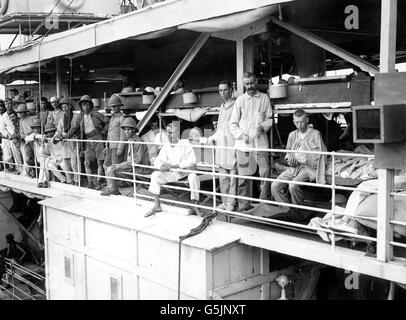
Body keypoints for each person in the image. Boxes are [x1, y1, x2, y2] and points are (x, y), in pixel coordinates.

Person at [229, 72, 273, 211]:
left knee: (265, 173)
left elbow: (270, 119)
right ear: (243, 84)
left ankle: (263, 203)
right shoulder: (240, 100)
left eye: (252, 83)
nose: (250, 86)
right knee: (243, 178)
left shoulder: (264, 98)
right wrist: (242, 136)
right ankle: (244, 206)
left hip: (260, 144)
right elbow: (233, 124)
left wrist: (262, 127)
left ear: (256, 81)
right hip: (244, 145)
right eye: (247, 84)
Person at [271, 109, 326, 207]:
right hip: (294, 167)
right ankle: (287, 209)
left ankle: (299, 211)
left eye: (301, 122)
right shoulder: (292, 135)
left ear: (307, 120)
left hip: (308, 168)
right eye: (296, 122)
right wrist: (289, 160)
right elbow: (288, 152)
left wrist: (307, 160)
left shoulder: (315, 134)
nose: (299, 125)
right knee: (275, 185)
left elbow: (322, 156)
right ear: (293, 121)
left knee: (293, 185)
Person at [145, 123, 201, 217]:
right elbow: (157, 161)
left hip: (182, 174)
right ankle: (157, 205)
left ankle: (195, 206)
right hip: (169, 174)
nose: (170, 135)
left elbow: (193, 160)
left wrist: (178, 165)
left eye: (172, 132)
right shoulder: (166, 146)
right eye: (168, 133)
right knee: (155, 175)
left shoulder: (185, 144)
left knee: (193, 177)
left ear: (177, 133)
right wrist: (161, 166)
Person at [205, 80, 237, 211]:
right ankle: (224, 202)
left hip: (232, 144)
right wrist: (210, 138)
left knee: (233, 176)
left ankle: (232, 203)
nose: (222, 93)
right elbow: (219, 129)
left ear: (230, 90)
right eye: (220, 90)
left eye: (225, 90)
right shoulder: (222, 107)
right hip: (222, 146)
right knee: (223, 177)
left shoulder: (236, 105)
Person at [101, 117, 150, 196]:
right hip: (133, 167)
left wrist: (121, 165)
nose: (126, 131)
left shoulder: (138, 141)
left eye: (129, 129)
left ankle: (113, 189)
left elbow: (137, 160)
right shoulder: (130, 140)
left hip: (141, 169)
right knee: (109, 167)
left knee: (111, 168)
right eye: (125, 129)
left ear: (134, 130)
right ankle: (112, 188)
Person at [79, 95, 109, 190]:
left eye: (87, 104)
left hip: (97, 138)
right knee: (86, 163)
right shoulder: (80, 117)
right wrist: (65, 136)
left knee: (100, 162)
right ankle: (90, 182)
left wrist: (103, 132)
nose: (86, 107)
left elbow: (108, 121)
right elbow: (74, 128)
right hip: (87, 140)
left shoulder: (96, 114)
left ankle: (99, 181)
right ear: (81, 106)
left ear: (90, 105)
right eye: (84, 105)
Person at [54, 97, 81, 185]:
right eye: (63, 107)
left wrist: (65, 135)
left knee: (74, 163)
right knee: (66, 164)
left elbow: (76, 129)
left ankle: (77, 181)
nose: (64, 109)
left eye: (66, 107)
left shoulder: (76, 117)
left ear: (70, 106)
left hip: (73, 142)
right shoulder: (62, 119)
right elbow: (58, 130)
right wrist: (56, 136)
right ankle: (70, 180)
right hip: (64, 144)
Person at [103, 94, 126, 174]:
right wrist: (106, 145)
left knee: (115, 166)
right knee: (106, 165)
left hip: (116, 146)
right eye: (113, 106)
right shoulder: (112, 117)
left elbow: (123, 135)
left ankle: (116, 183)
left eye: (116, 106)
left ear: (119, 106)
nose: (114, 108)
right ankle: (110, 182)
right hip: (110, 146)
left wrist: (120, 148)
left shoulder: (122, 118)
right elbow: (109, 132)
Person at [16, 103, 35, 177]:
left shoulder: (32, 118)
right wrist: (22, 137)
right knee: (27, 158)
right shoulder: (21, 121)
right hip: (26, 141)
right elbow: (21, 132)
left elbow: (36, 129)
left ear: (25, 112)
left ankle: (34, 172)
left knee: (36, 157)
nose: (19, 114)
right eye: (19, 112)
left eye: (21, 112)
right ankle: (30, 171)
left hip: (33, 139)